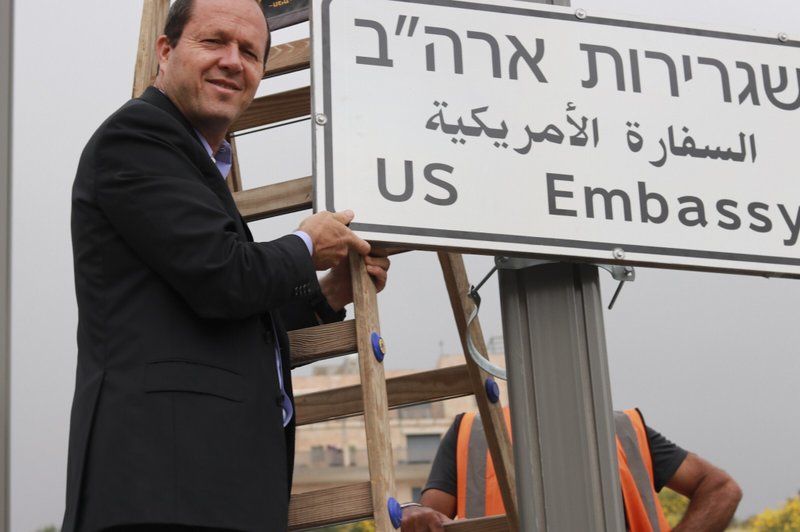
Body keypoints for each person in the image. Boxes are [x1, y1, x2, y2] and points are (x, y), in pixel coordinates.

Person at [62, 0, 389, 530]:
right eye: (214, 41)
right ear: (165, 52)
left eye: (250, 52)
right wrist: (306, 245)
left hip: (207, 488)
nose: (234, 61)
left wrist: (327, 293)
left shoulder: (187, 161)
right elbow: (225, 278)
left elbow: (216, 312)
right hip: (163, 492)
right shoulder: (138, 138)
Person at [401, 407, 742, 532]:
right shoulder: (474, 432)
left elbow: (721, 488)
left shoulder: (620, 429)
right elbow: (428, 517)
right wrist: (413, 514)